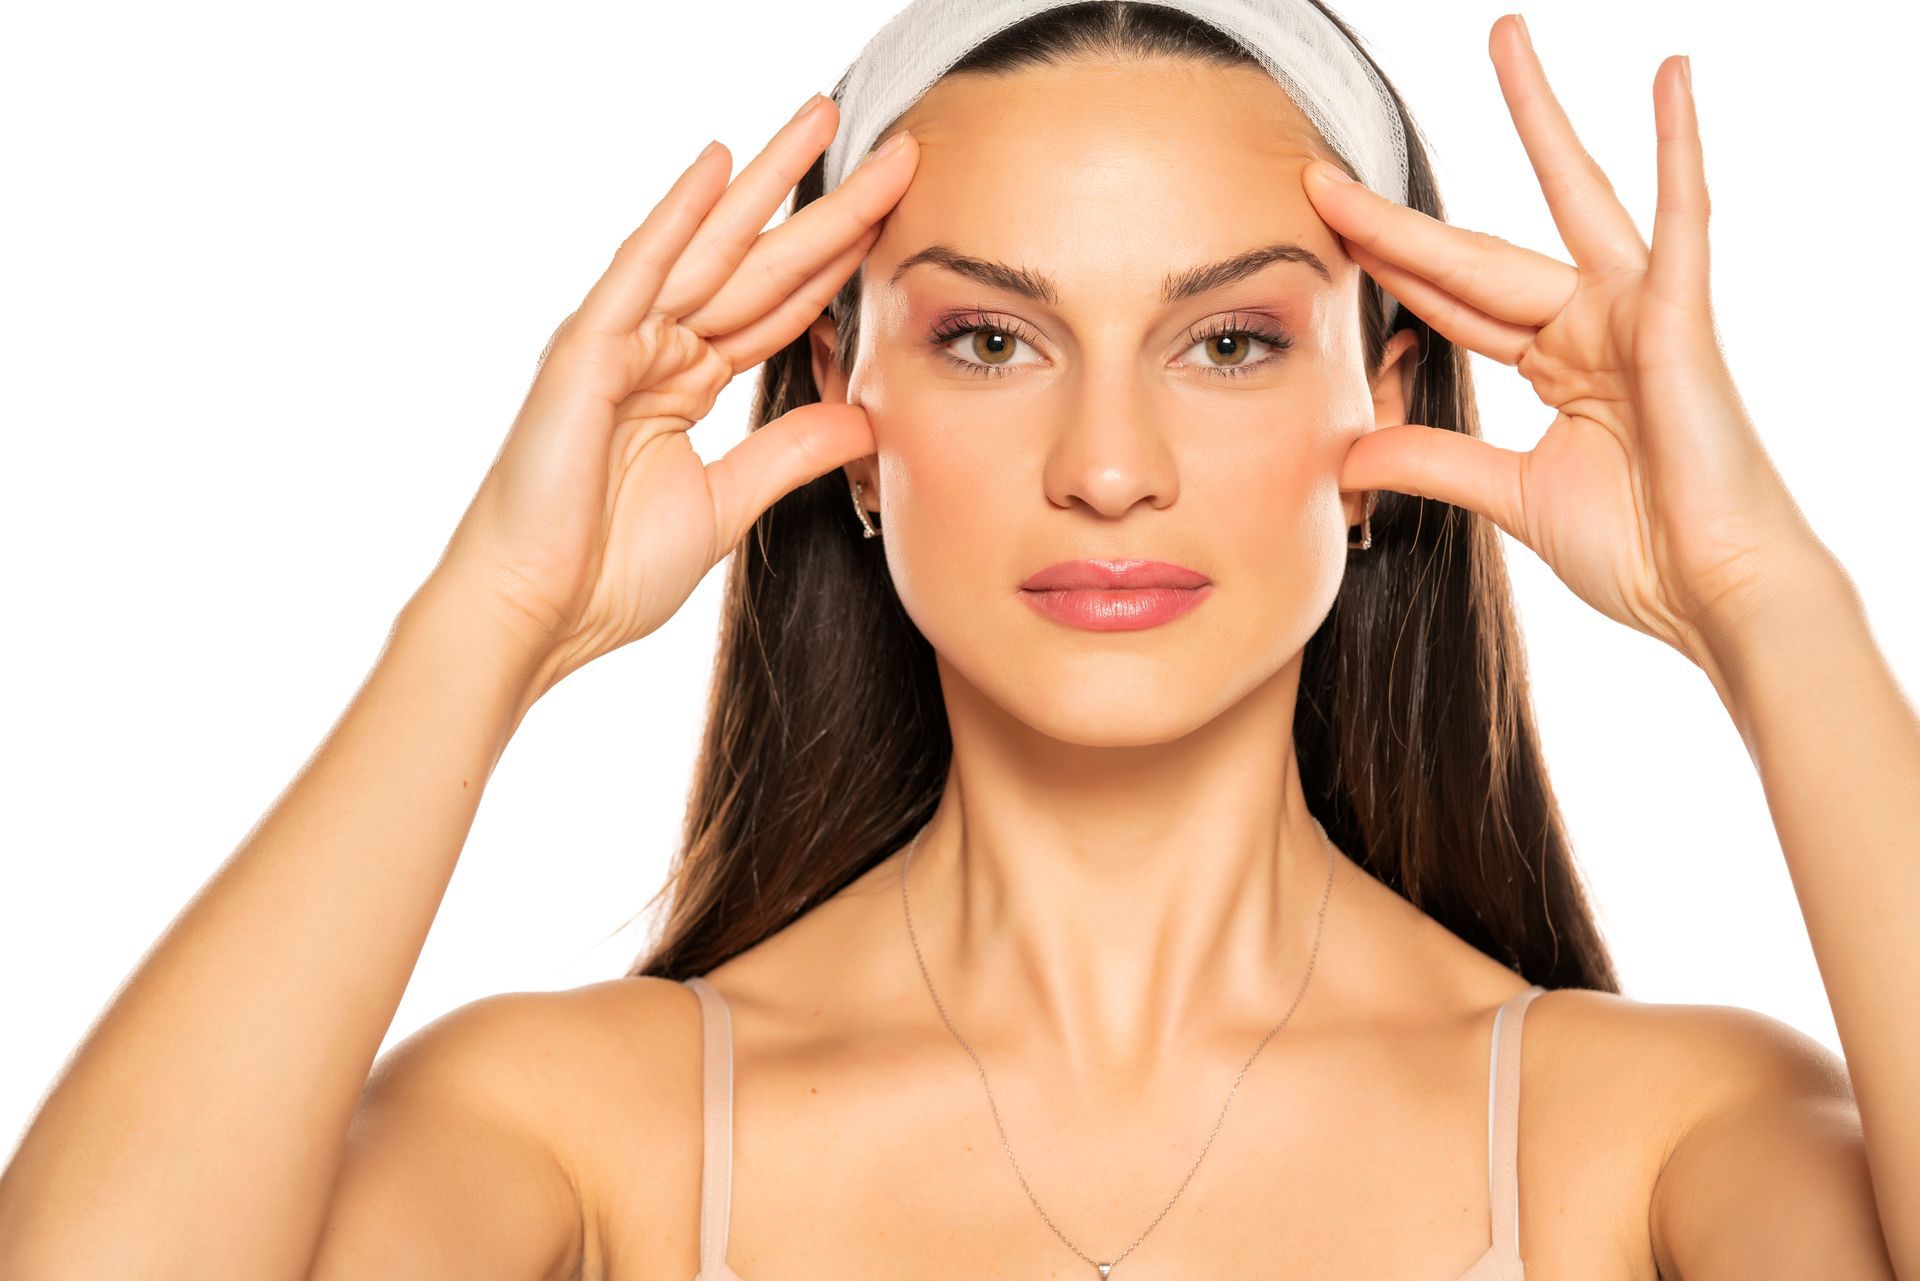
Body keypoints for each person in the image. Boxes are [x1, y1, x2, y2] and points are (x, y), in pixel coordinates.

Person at [0, 2, 1909, 1278]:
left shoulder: (1641, 1145)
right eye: (990, 339)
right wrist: (481, 627)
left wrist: (1773, 604)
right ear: (843, 397)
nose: (1104, 466)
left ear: (1383, 407)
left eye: (1229, 340)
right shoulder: (590, 1132)